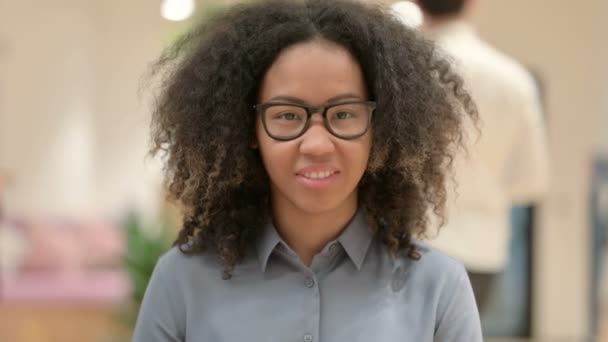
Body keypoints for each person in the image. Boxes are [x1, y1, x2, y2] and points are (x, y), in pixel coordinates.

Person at [133, 0, 482, 341]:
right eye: (287, 115)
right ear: (248, 128)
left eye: (344, 114)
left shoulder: (438, 286)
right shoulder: (181, 280)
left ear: (382, 127)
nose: (316, 144)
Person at [416, 0, 550, 314]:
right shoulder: (514, 79)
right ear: (473, 4)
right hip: (481, 250)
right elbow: (533, 182)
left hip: (413, 241)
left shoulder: (404, 69)